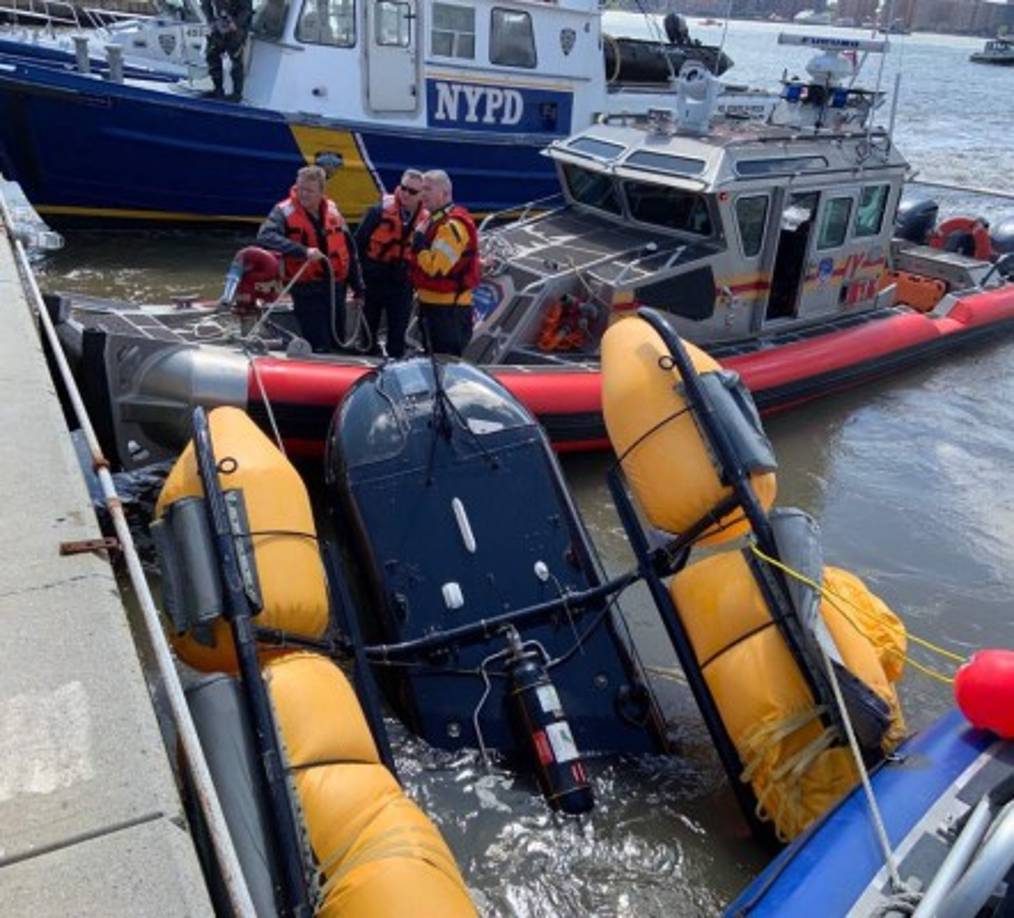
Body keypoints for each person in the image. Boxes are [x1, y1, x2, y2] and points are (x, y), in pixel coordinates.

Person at [256, 165, 363, 353]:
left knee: (338, 339)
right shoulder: (284, 211)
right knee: (318, 342)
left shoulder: (333, 210)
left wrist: (358, 287)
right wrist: (302, 251)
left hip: (335, 286)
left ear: (322, 192)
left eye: (309, 191)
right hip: (307, 289)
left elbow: (349, 250)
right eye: (300, 189)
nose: (303, 194)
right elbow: (266, 236)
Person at [353, 169, 427, 359]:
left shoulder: (425, 220)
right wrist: (358, 280)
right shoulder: (379, 210)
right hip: (374, 276)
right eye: (404, 188)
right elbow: (359, 243)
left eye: (412, 191)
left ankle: (396, 363)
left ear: (421, 195)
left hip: (401, 282)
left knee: (398, 332)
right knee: (368, 330)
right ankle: (367, 359)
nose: (406, 194)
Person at [411, 170, 480, 358]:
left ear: (445, 193)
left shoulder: (451, 226)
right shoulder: (433, 219)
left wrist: (419, 246)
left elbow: (436, 269)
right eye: (422, 188)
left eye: (428, 189)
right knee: (433, 359)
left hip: (447, 311)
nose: (422, 193)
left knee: (445, 362)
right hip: (433, 307)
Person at [201, 0, 253, 100]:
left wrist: (236, 23)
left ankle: (237, 94)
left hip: (237, 27)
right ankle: (218, 89)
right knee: (211, 54)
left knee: (236, 59)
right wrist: (211, 20)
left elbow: (246, 10)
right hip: (219, 23)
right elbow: (205, 4)